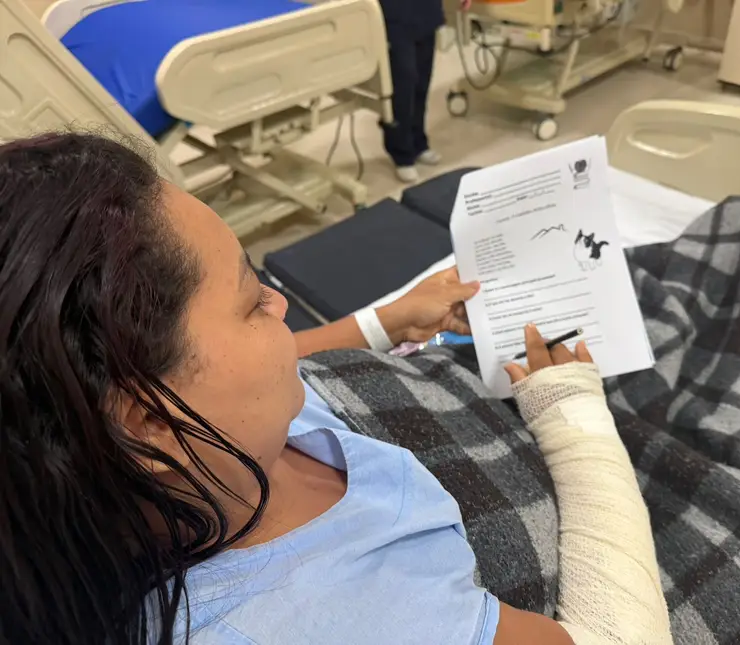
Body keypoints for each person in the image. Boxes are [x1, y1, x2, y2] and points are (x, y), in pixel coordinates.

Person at [0, 133, 671, 644]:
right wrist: (573, 412)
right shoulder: (363, 617)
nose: (279, 304)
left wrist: (380, 323)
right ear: (147, 421)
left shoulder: (143, 446)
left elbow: (230, 374)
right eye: (251, 300)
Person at [378, 0, 472, 183]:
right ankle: (401, 153)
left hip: (426, 9)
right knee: (403, 82)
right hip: (393, 14)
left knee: (421, 81)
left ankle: (418, 142)